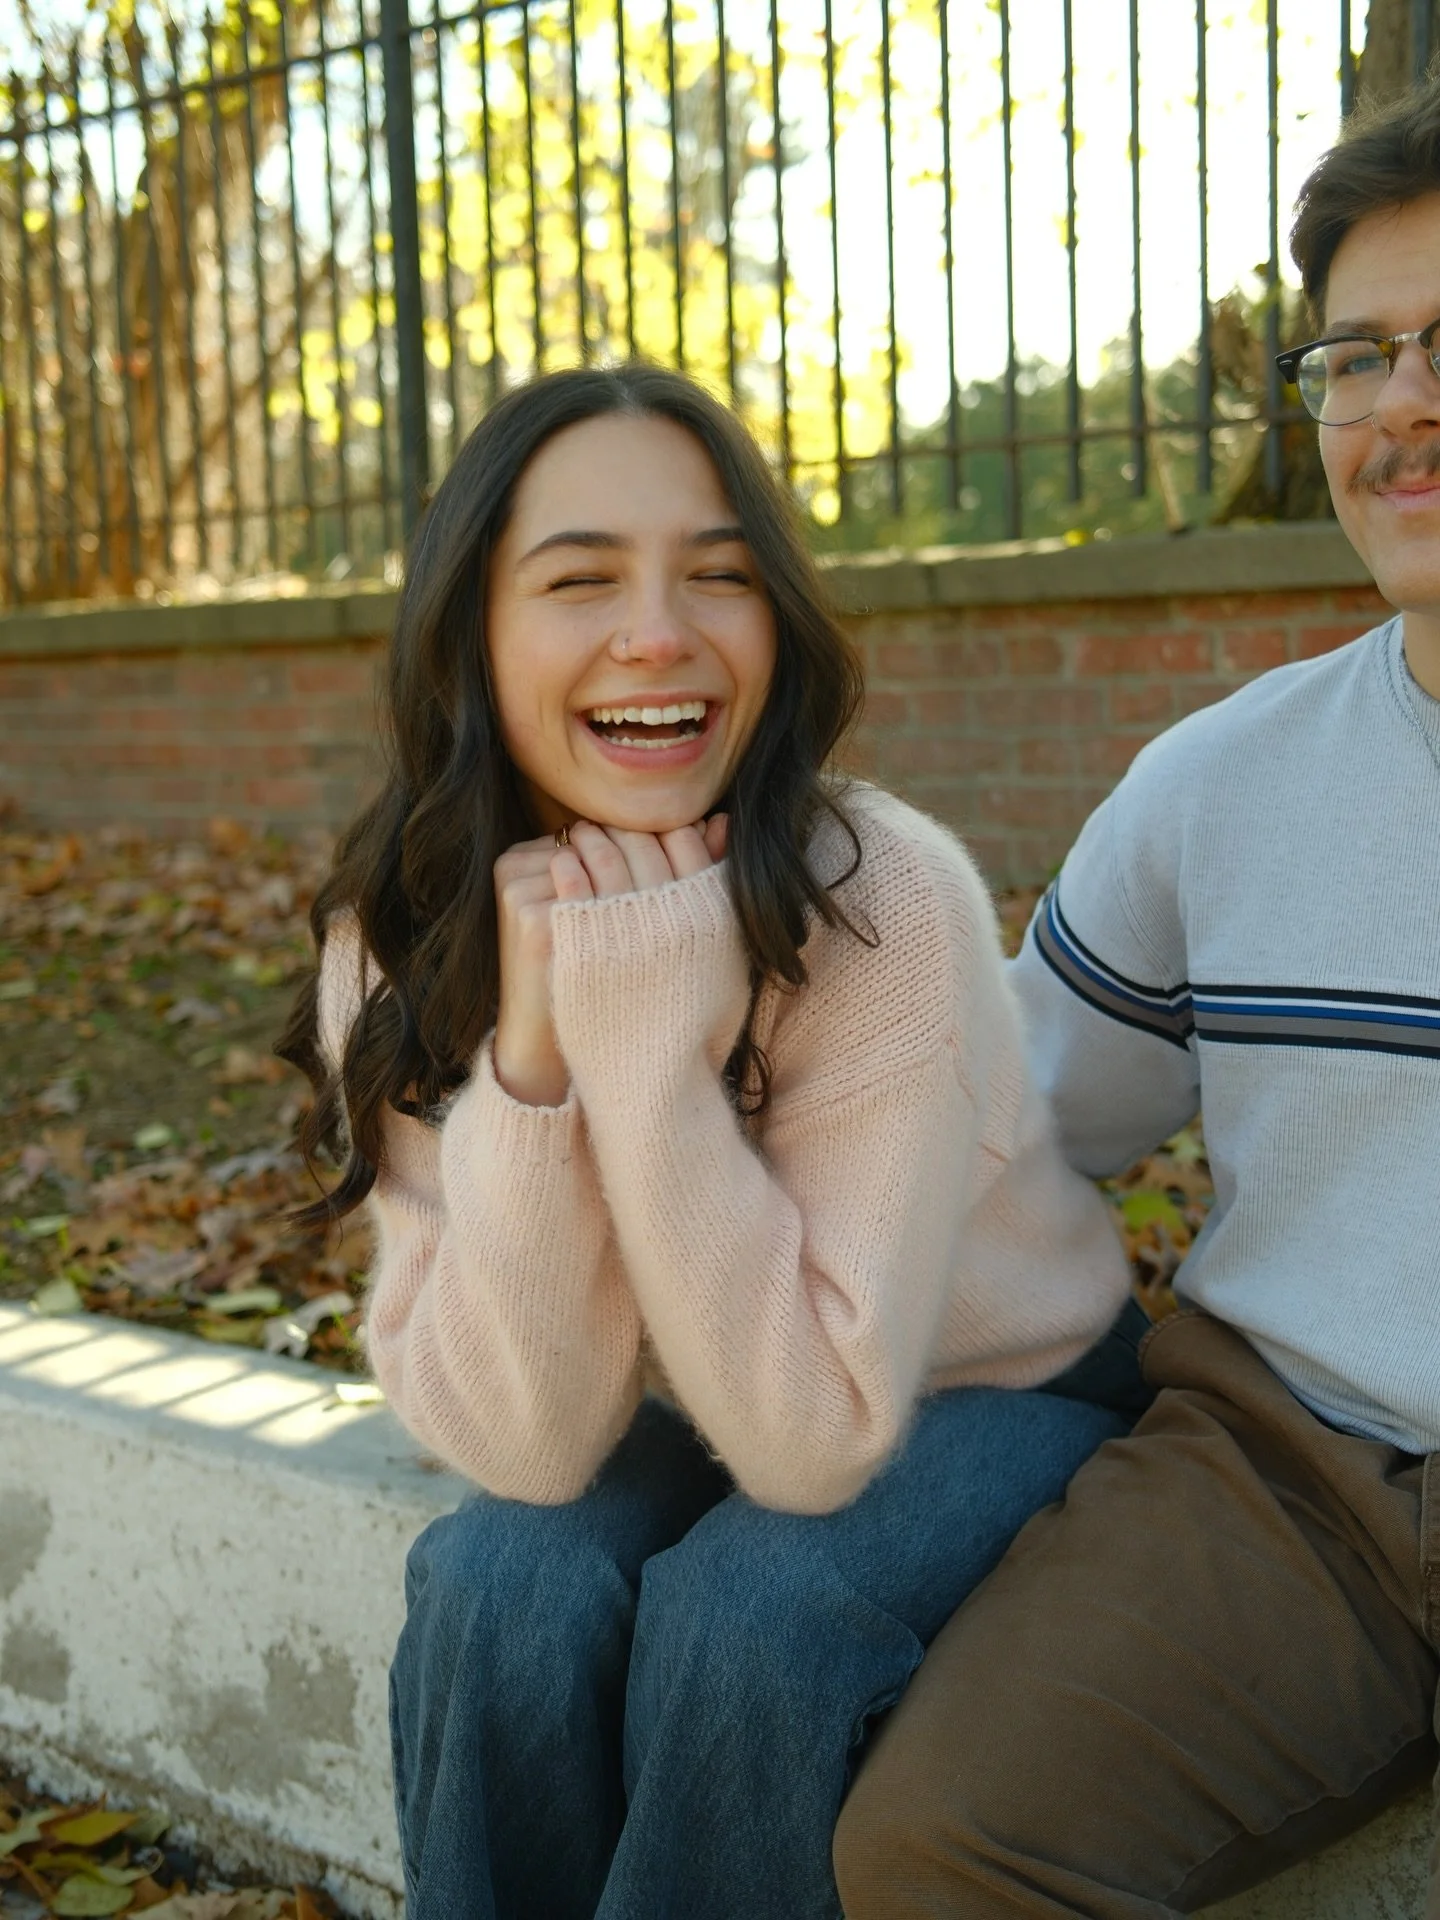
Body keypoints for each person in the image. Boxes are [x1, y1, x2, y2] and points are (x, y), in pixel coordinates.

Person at [277, 362, 1146, 1920]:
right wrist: (533, 1072)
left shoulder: (880, 894)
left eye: (720, 577)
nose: (660, 633)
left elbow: (814, 1444)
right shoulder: (398, 927)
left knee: (755, 1619)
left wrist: (646, 1055)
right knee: (499, 1587)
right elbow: (533, 1451)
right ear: (472, 624)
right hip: (679, 1386)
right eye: (581, 579)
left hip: (989, 1386)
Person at [833, 73, 1440, 1920]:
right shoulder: (1218, 784)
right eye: (1359, 356)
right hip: (1304, 1480)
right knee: (937, 1849)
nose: (1405, 409)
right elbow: (1005, 1140)